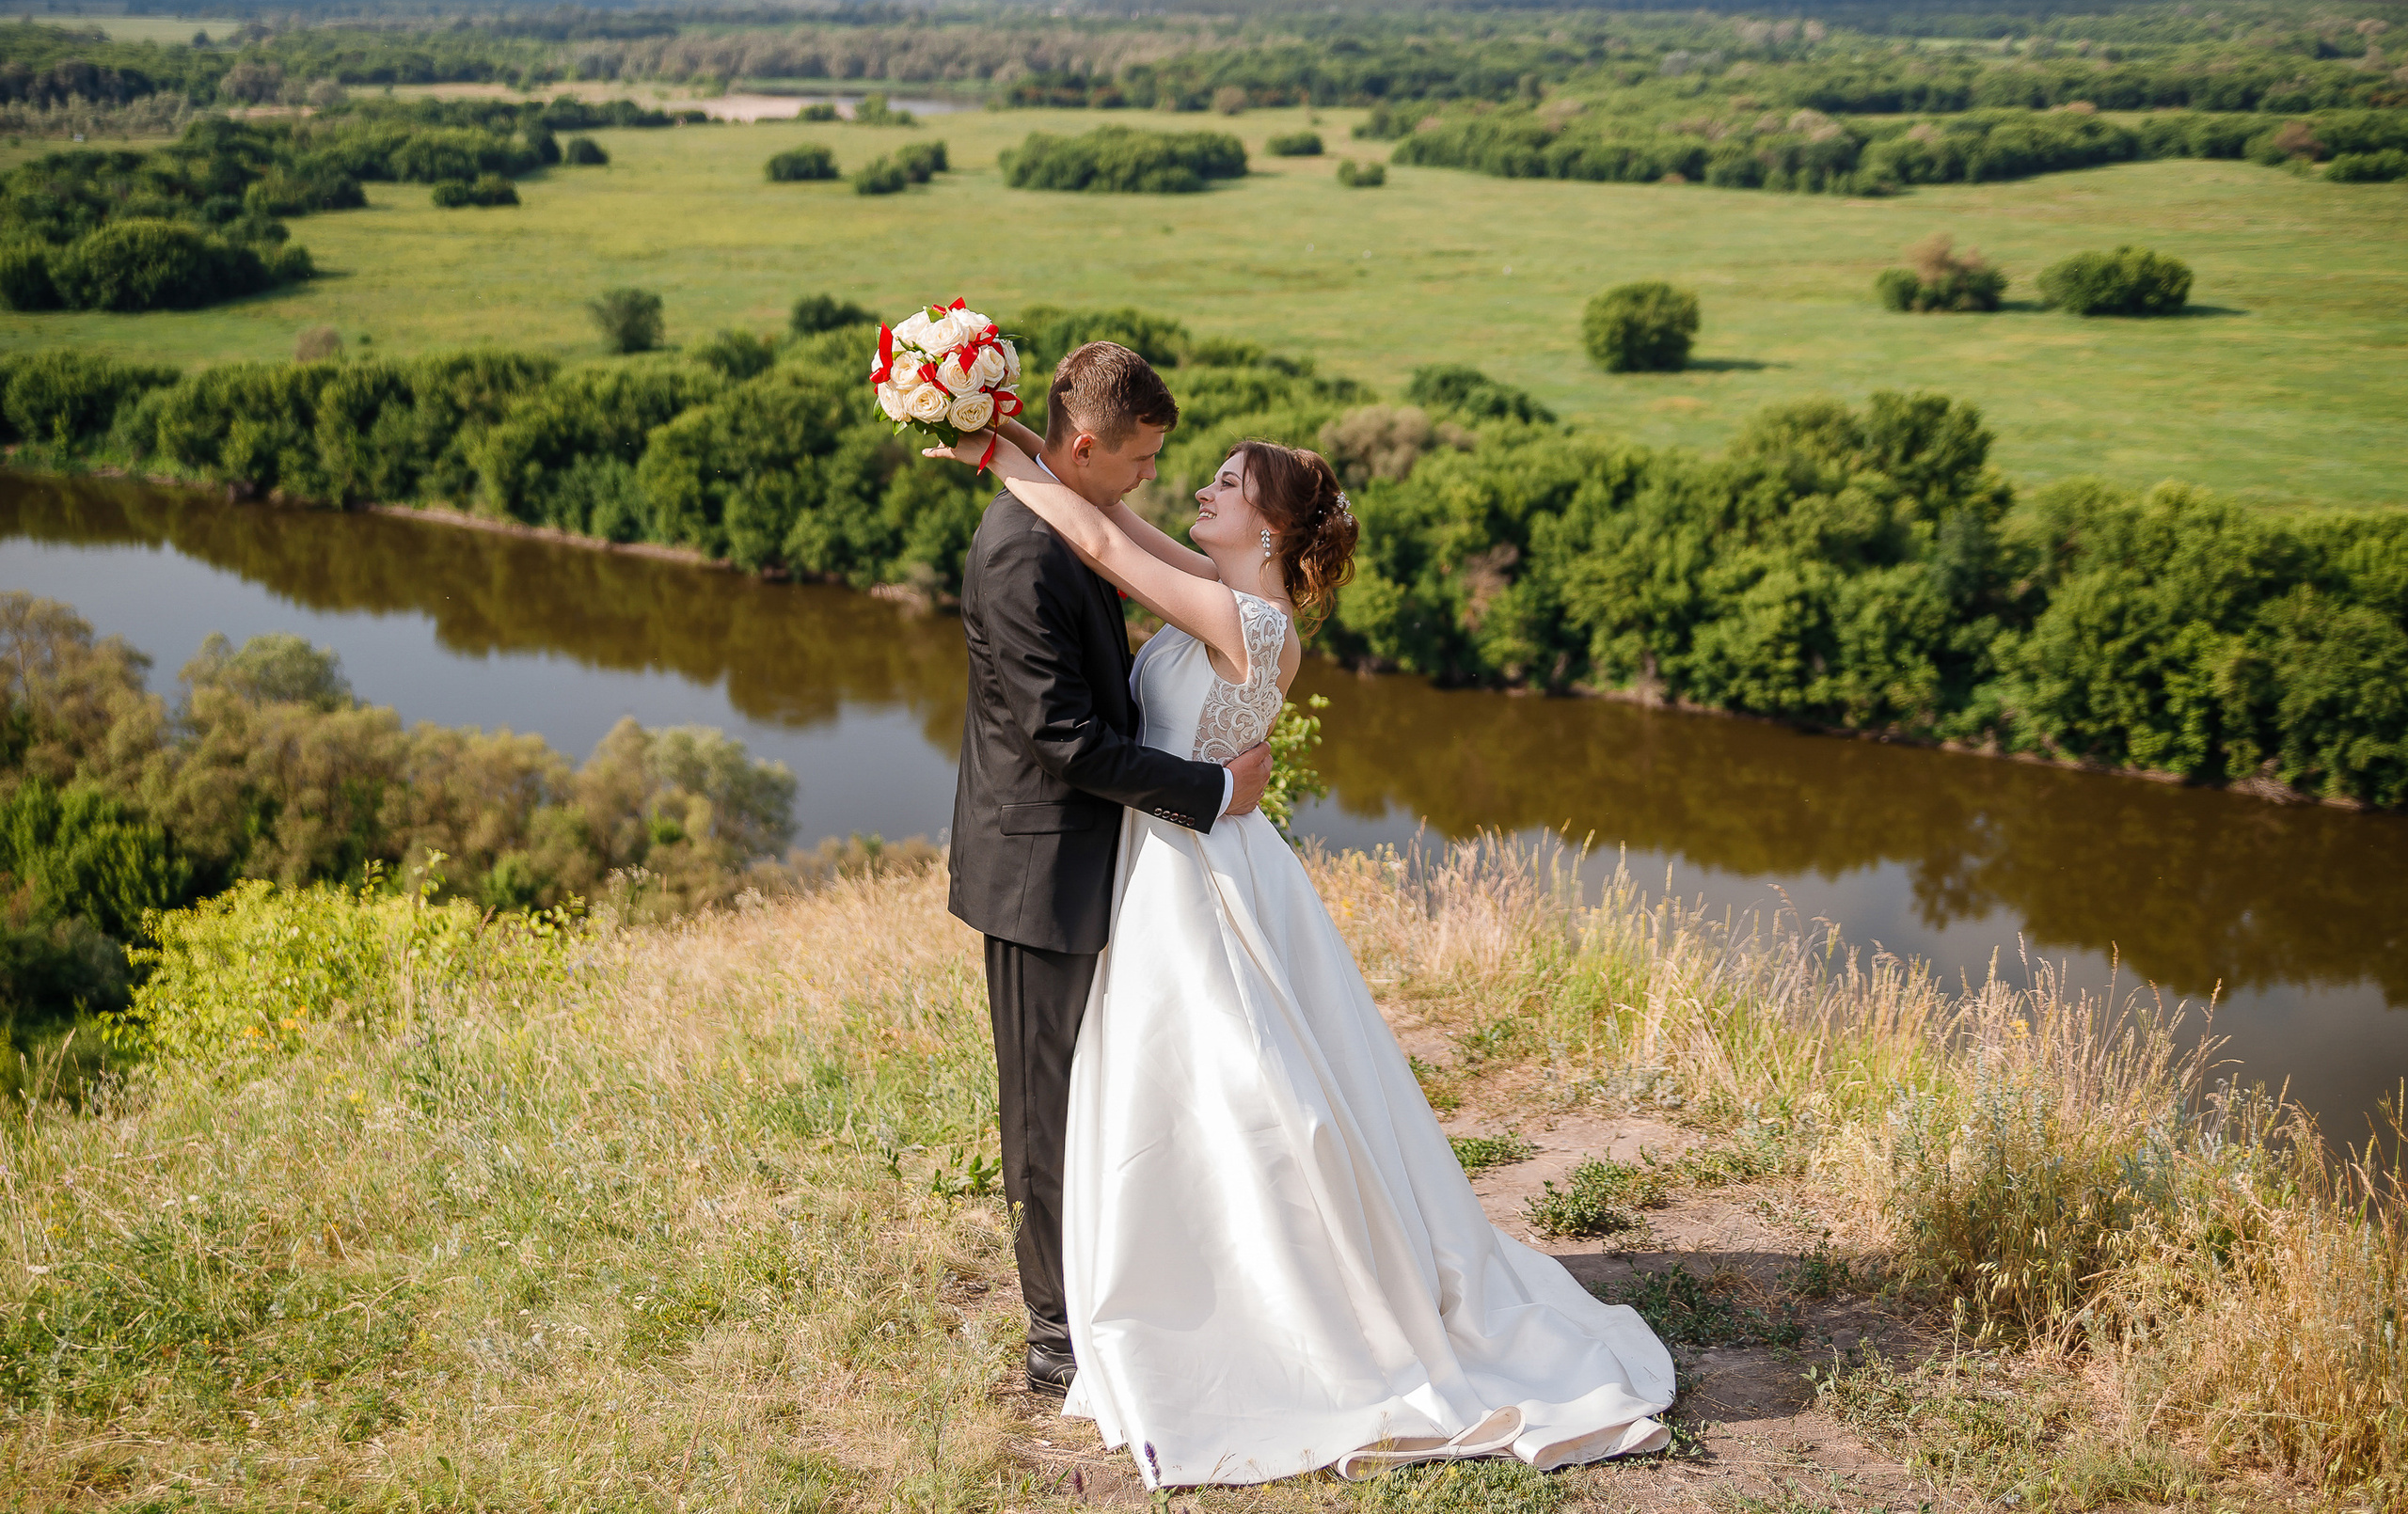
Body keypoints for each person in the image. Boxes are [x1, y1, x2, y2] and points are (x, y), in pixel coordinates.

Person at [927, 370, 1677, 1490]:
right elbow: (1119, 521)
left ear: (1269, 525)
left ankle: (1235, 1288)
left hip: (1196, 860)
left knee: (1233, 1082)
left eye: (1226, 482)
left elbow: (1106, 539)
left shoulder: (1241, 616)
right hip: (1184, 853)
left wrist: (999, 459)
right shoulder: (1231, 590)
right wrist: (1031, 440)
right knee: (1211, 1079)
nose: (1196, 486)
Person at [946, 340, 1274, 1399]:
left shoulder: (1067, 527)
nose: (1155, 481)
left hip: (1114, 867)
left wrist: (1011, 449)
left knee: (1109, 1094)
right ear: (1085, 445)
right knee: (1043, 1106)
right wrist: (1217, 793)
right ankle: (1054, 1331)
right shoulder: (1020, 554)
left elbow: (1108, 530)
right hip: (1041, 874)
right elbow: (1068, 742)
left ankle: (1118, 1279)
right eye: (1140, 458)